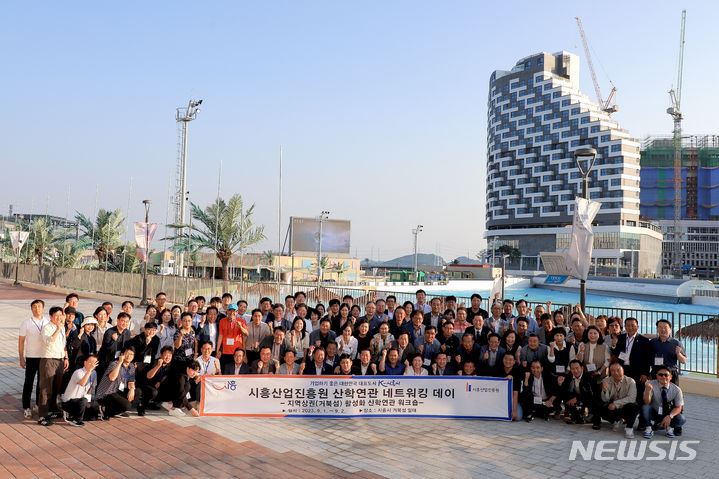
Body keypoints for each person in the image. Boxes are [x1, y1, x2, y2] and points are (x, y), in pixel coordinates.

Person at [37, 306, 69, 426]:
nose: (59, 318)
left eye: (61, 315)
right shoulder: (47, 327)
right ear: (50, 316)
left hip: (59, 360)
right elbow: (48, 341)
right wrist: (57, 329)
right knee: (46, 388)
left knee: (56, 387)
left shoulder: (61, 327)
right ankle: (42, 416)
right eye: (56, 315)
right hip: (48, 360)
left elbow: (63, 344)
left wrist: (66, 358)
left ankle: (52, 410)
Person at [19, 299, 49, 418]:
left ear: (43, 308)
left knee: (41, 383)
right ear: (31, 309)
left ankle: (37, 404)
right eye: (34, 307)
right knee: (29, 382)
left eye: (39, 306)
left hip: (44, 356)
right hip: (31, 356)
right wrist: (21, 358)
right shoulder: (26, 323)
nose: (37, 309)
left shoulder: (48, 321)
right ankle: (26, 407)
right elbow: (21, 341)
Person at [640, 366, 685, 438]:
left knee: (681, 419)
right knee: (645, 407)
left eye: (666, 375)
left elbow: (678, 407)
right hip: (655, 411)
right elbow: (646, 402)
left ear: (670, 377)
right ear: (657, 376)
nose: (663, 377)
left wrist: (670, 416)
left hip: (668, 413)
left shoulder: (676, 390)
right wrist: (648, 391)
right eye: (660, 375)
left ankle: (669, 427)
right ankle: (649, 428)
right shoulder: (650, 384)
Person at [96, 346, 139, 419]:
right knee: (127, 405)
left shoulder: (131, 366)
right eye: (127, 353)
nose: (129, 356)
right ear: (122, 355)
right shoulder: (114, 364)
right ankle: (106, 411)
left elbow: (131, 382)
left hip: (118, 391)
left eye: (131, 354)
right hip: (107, 393)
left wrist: (132, 389)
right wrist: (120, 362)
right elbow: (112, 378)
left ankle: (115, 411)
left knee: (137, 391)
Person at [611, 317, 650, 397]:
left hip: (637, 371)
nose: (630, 327)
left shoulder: (644, 340)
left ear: (637, 327)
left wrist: (645, 373)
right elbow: (616, 353)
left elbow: (647, 358)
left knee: (637, 393)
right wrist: (614, 346)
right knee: (622, 392)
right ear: (625, 327)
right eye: (628, 325)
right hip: (622, 369)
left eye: (633, 325)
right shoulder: (620, 338)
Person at [598, 362, 638, 437]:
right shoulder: (606, 381)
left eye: (618, 370)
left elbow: (632, 398)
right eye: (612, 370)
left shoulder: (630, 381)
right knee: (601, 409)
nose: (616, 373)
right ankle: (616, 420)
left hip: (625, 406)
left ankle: (629, 428)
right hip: (613, 407)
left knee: (633, 407)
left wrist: (616, 404)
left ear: (623, 370)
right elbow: (605, 400)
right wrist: (604, 391)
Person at [60, 354, 99, 426]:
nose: (92, 365)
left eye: (94, 363)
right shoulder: (78, 372)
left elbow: (90, 388)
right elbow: (82, 383)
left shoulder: (94, 373)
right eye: (90, 362)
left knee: (94, 415)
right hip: (69, 401)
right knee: (83, 401)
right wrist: (89, 371)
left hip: (81, 401)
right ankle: (76, 420)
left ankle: (74, 415)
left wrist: (88, 402)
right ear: (85, 363)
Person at [560, 359, 601, 425]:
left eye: (577, 368)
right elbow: (564, 391)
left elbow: (591, 394)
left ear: (582, 368)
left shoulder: (588, 377)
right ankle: (577, 418)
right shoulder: (569, 377)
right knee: (567, 399)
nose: (575, 371)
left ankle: (596, 421)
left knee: (595, 402)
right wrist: (560, 384)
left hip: (589, 397)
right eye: (572, 369)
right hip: (576, 396)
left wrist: (577, 398)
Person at [137, 346, 174, 415]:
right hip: (145, 383)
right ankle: (141, 407)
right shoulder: (155, 362)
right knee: (153, 392)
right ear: (161, 355)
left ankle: (153, 404)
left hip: (155, 384)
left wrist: (159, 382)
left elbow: (165, 376)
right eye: (166, 355)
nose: (168, 357)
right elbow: (149, 376)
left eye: (170, 355)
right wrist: (158, 366)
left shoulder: (169, 365)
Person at [648, 319, 686, 385]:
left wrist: (678, 353)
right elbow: (648, 358)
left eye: (665, 327)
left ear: (670, 329)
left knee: (672, 394)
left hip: (670, 374)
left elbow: (683, 361)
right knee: (655, 394)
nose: (663, 330)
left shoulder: (676, 343)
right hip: (655, 373)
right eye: (660, 327)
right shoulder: (652, 342)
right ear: (657, 329)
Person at [98, 312, 132, 378]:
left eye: (127, 322)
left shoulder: (127, 333)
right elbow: (107, 349)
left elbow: (127, 348)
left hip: (119, 361)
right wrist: (114, 341)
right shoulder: (109, 332)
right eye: (123, 321)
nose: (124, 323)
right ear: (117, 320)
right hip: (107, 361)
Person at [217, 303, 249, 372]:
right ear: (227, 311)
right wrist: (218, 350)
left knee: (237, 371)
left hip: (237, 352)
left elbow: (246, 334)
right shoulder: (222, 321)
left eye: (234, 311)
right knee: (225, 371)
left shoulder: (241, 321)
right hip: (225, 351)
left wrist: (240, 327)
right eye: (230, 311)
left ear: (237, 312)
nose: (232, 313)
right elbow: (220, 336)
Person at [491, 353, 522, 420]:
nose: (508, 361)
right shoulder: (496, 369)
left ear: (514, 362)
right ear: (502, 360)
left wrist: (514, 410)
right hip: (499, 399)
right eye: (506, 359)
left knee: (517, 417)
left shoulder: (517, 372)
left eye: (510, 360)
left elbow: (515, 394)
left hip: (511, 399)